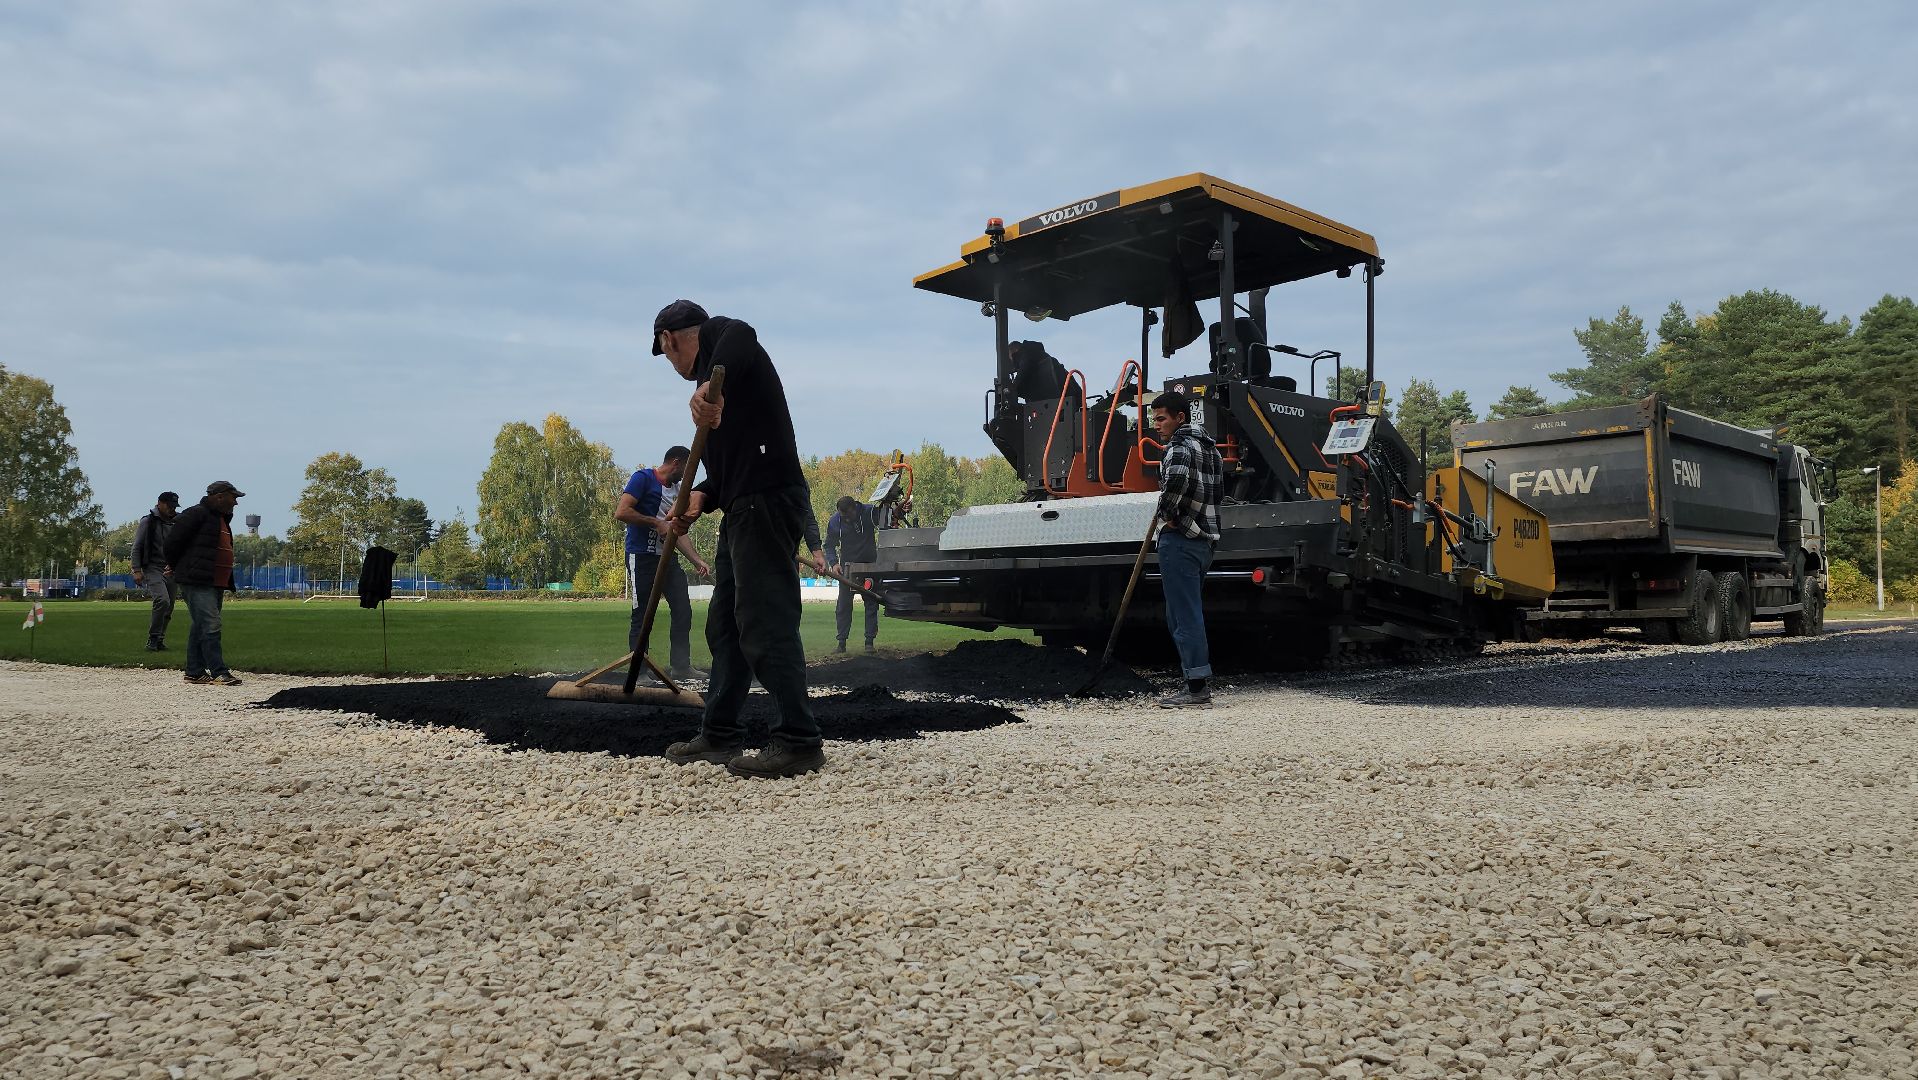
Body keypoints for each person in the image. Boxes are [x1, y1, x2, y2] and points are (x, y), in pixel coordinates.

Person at [653, 300, 825, 779]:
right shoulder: (722, 401)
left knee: (765, 620)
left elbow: (741, 332)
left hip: (767, 502)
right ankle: (720, 734)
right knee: (726, 627)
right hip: (743, 507)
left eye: (667, 355)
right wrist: (701, 498)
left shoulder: (726, 344)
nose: (673, 367)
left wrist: (711, 383)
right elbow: (725, 475)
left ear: (669, 339)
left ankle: (798, 740)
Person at [1149, 391, 1223, 707]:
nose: (1156, 425)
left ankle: (1196, 688)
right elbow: (1217, 494)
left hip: (1180, 541)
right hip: (1204, 541)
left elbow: (1173, 491)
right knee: (1182, 612)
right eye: (1154, 419)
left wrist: (1167, 518)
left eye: (1161, 418)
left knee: (1183, 616)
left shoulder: (1179, 448)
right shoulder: (1212, 451)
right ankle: (1193, 681)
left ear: (1180, 417)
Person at [615, 445, 712, 681]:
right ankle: (638, 671)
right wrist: (655, 523)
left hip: (668, 560)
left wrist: (697, 559)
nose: (689, 476)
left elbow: (677, 531)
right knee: (643, 614)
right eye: (688, 469)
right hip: (642, 558)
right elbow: (621, 512)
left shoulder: (677, 491)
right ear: (676, 463)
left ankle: (681, 666)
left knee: (683, 610)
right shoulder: (643, 478)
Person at [163, 481, 246, 686]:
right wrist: (178, 567)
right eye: (233, 497)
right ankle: (219, 671)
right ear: (219, 496)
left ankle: (194, 672)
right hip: (197, 579)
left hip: (215, 580)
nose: (235, 503)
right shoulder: (196, 514)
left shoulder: (220, 518)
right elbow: (172, 544)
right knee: (211, 624)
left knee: (201, 625)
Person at [824, 495, 880, 653]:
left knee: (871, 603)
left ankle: (869, 643)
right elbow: (829, 545)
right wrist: (834, 564)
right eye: (843, 516)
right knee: (843, 605)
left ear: (855, 508)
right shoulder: (835, 521)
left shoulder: (869, 512)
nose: (846, 519)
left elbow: (887, 520)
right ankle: (841, 643)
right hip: (846, 569)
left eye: (848, 515)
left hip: (869, 566)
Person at [131, 491, 180, 651]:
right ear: (160, 503)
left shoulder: (177, 522)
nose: (172, 509)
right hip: (152, 567)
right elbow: (137, 547)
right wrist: (136, 569)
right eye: (170, 506)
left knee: (170, 606)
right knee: (162, 600)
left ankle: (160, 639)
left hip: (171, 569)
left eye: (174, 506)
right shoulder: (148, 522)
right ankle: (152, 638)